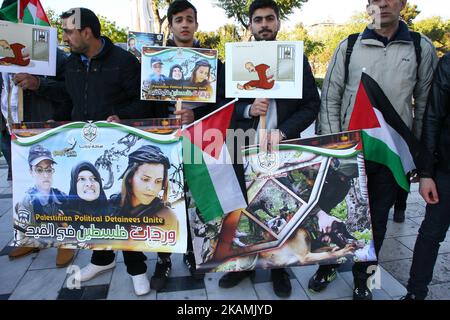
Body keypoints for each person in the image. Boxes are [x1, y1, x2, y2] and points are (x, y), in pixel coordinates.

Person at [316, 0, 438, 300]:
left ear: (403, 4)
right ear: (367, 5)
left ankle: (364, 278)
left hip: (389, 155)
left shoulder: (421, 48)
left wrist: (419, 160)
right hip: (348, 153)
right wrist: (335, 147)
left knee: (377, 221)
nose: (383, 3)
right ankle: (327, 265)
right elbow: (330, 98)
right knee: (333, 211)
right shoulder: (349, 45)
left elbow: (424, 108)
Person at [218, 0, 321, 298]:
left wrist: (285, 131)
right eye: (258, 19)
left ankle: (279, 268)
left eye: (269, 19)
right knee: (245, 208)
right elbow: (222, 105)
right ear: (250, 24)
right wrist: (248, 108)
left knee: (279, 208)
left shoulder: (294, 59)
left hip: (282, 148)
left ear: (278, 23)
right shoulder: (236, 60)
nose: (264, 24)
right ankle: (246, 264)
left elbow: (311, 104)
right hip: (242, 146)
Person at [60, 6, 160, 295]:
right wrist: (37, 84)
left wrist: (120, 116)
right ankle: (101, 258)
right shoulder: (71, 63)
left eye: (68, 31)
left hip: (119, 149)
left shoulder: (124, 61)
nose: (65, 37)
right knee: (93, 207)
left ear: (86, 32)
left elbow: (145, 102)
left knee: (122, 206)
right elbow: (65, 95)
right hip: (84, 147)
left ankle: (136, 267)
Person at [79, 145, 177, 296]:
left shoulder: (165, 214)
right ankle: (102, 260)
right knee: (113, 213)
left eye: (158, 181)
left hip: (152, 125)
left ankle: (146, 266)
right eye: (145, 179)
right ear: (130, 176)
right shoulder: (113, 203)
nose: (151, 188)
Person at [403, 53, 450, 300]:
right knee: (431, 235)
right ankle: (415, 292)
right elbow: (433, 117)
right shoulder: (448, 63)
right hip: (446, 170)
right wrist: (427, 173)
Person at [11, 145, 75, 267]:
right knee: (22, 209)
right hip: (36, 228)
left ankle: (65, 244)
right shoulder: (26, 201)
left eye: (48, 169)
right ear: (31, 172)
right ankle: (30, 242)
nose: (45, 175)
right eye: (39, 170)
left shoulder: (63, 197)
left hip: (62, 234)